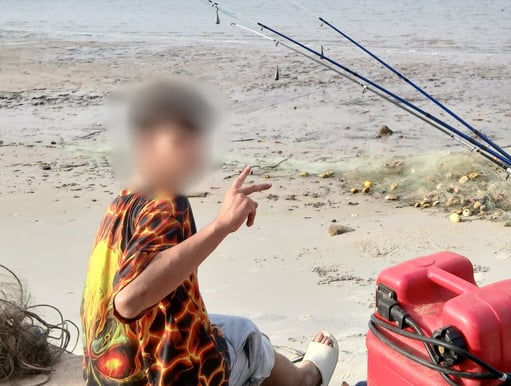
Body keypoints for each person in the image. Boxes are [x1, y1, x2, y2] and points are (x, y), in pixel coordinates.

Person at [81, 78, 339, 386]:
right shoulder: (167, 202)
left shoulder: (122, 202)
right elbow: (129, 300)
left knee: (227, 327)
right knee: (248, 337)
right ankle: (306, 378)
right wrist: (221, 226)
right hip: (165, 377)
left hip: (107, 372)